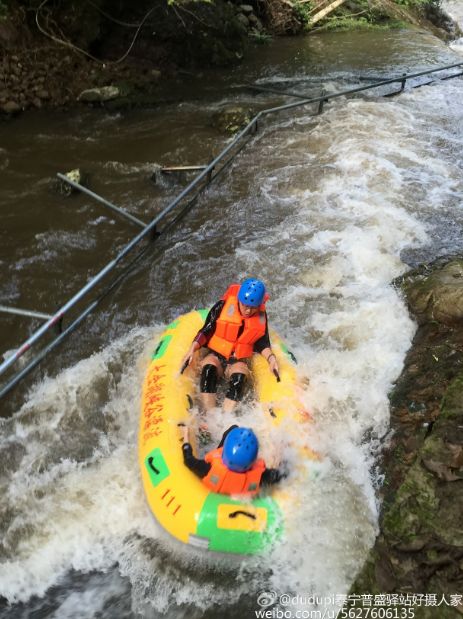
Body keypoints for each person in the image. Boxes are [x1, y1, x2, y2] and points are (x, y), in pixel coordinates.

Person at [180, 278, 279, 413]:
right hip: (216, 355)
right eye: (245, 305)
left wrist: (272, 359)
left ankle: (224, 419)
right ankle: (210, 416)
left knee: (239, 378)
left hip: (238, 361)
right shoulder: (222, 306)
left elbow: (262, 343)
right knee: (209, 369)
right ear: (238, 299)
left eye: (253, 307)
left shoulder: (261, 316)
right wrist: (192, 349)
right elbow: (206, 330)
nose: (248, 311)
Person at [181, 424, 286, 496]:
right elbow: (282, 474)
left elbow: (188, 460)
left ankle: (207, 436)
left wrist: (185, 435)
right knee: (235, 429)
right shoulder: (261, 477)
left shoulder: (208, 469)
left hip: (214, 487)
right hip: (243, 493)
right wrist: (280, 452)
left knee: (233, 428)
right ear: (253, 460)